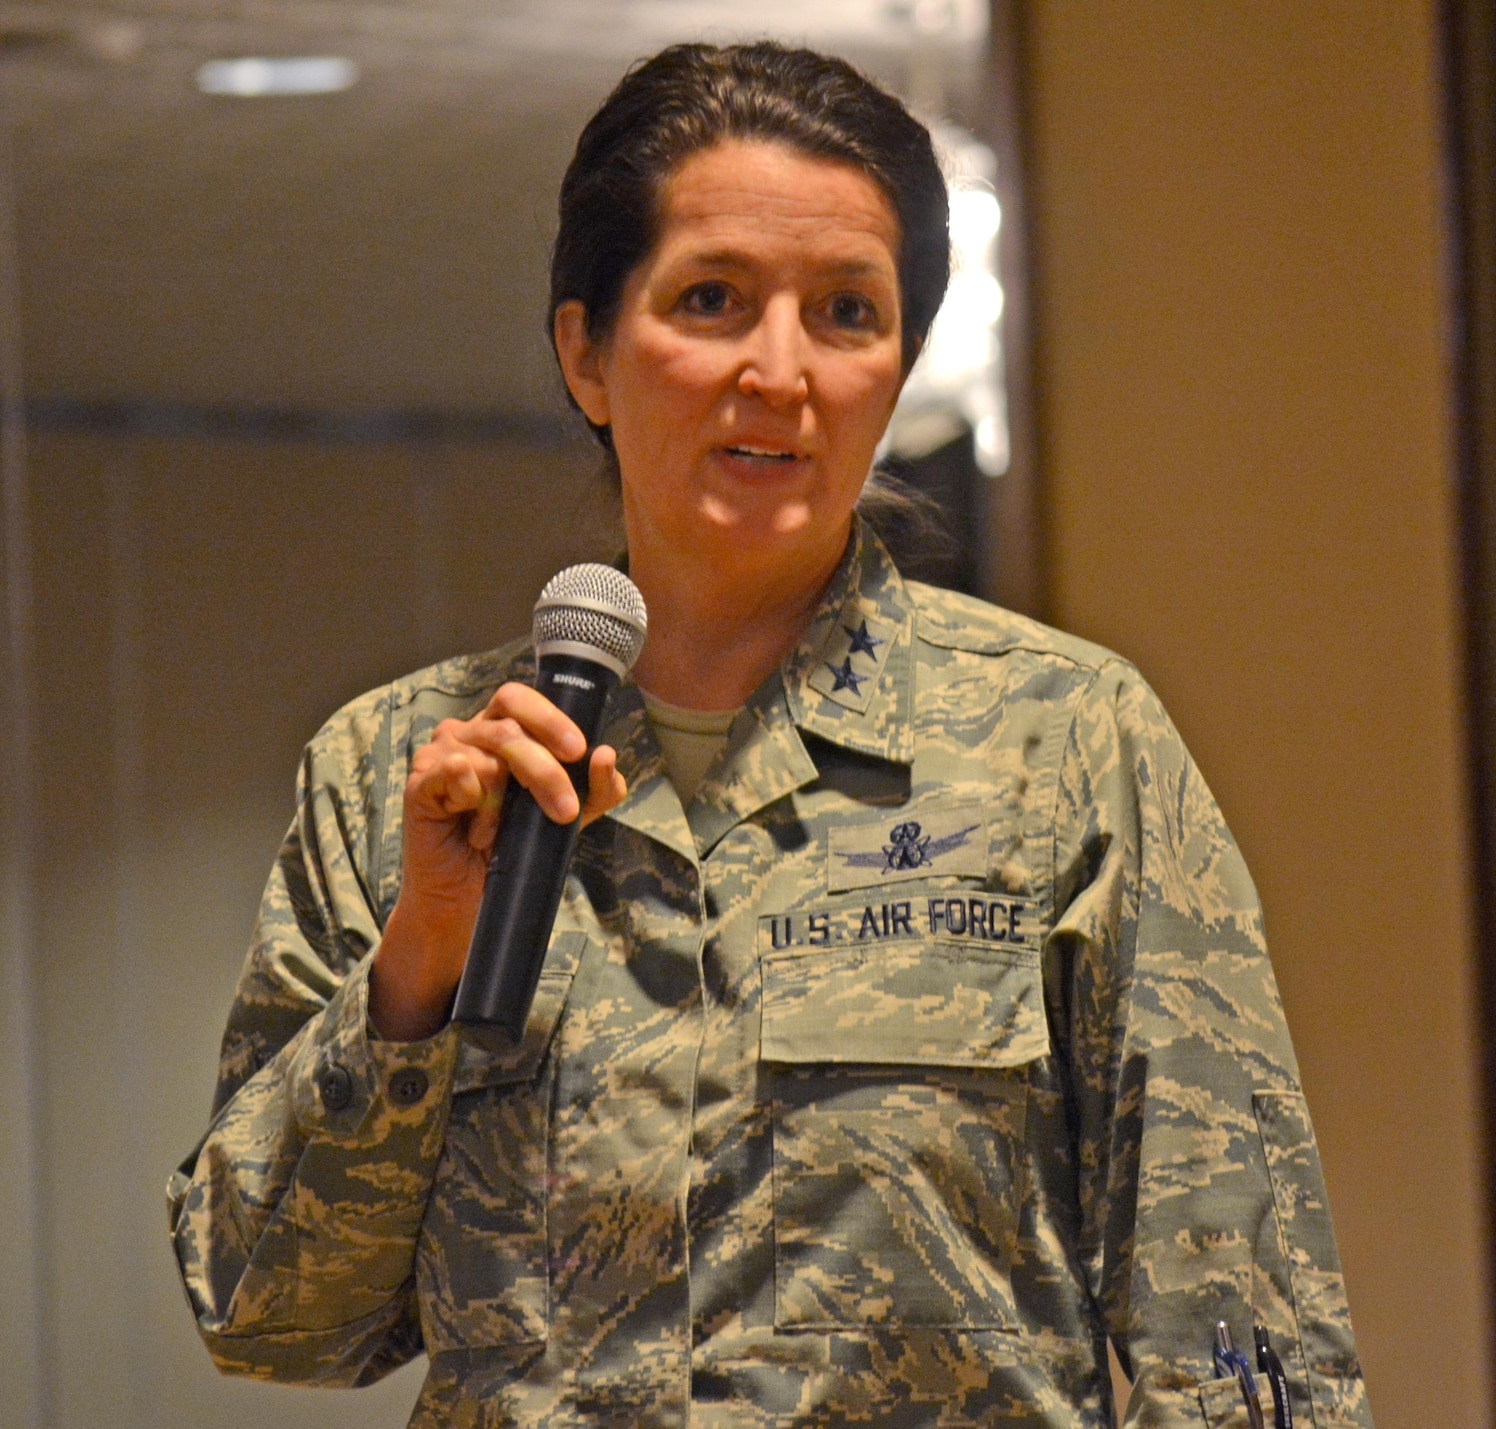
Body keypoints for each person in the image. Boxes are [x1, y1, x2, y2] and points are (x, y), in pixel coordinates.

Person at [167, 41, 1372, 1429]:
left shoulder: (1066, 745)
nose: (779, 369)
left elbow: (1240, 1337)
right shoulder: (395, 775)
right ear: (588, 353)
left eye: (847, 312)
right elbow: (266, 1316)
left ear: (901, 369)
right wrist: (419, 969)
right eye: (713, 299)